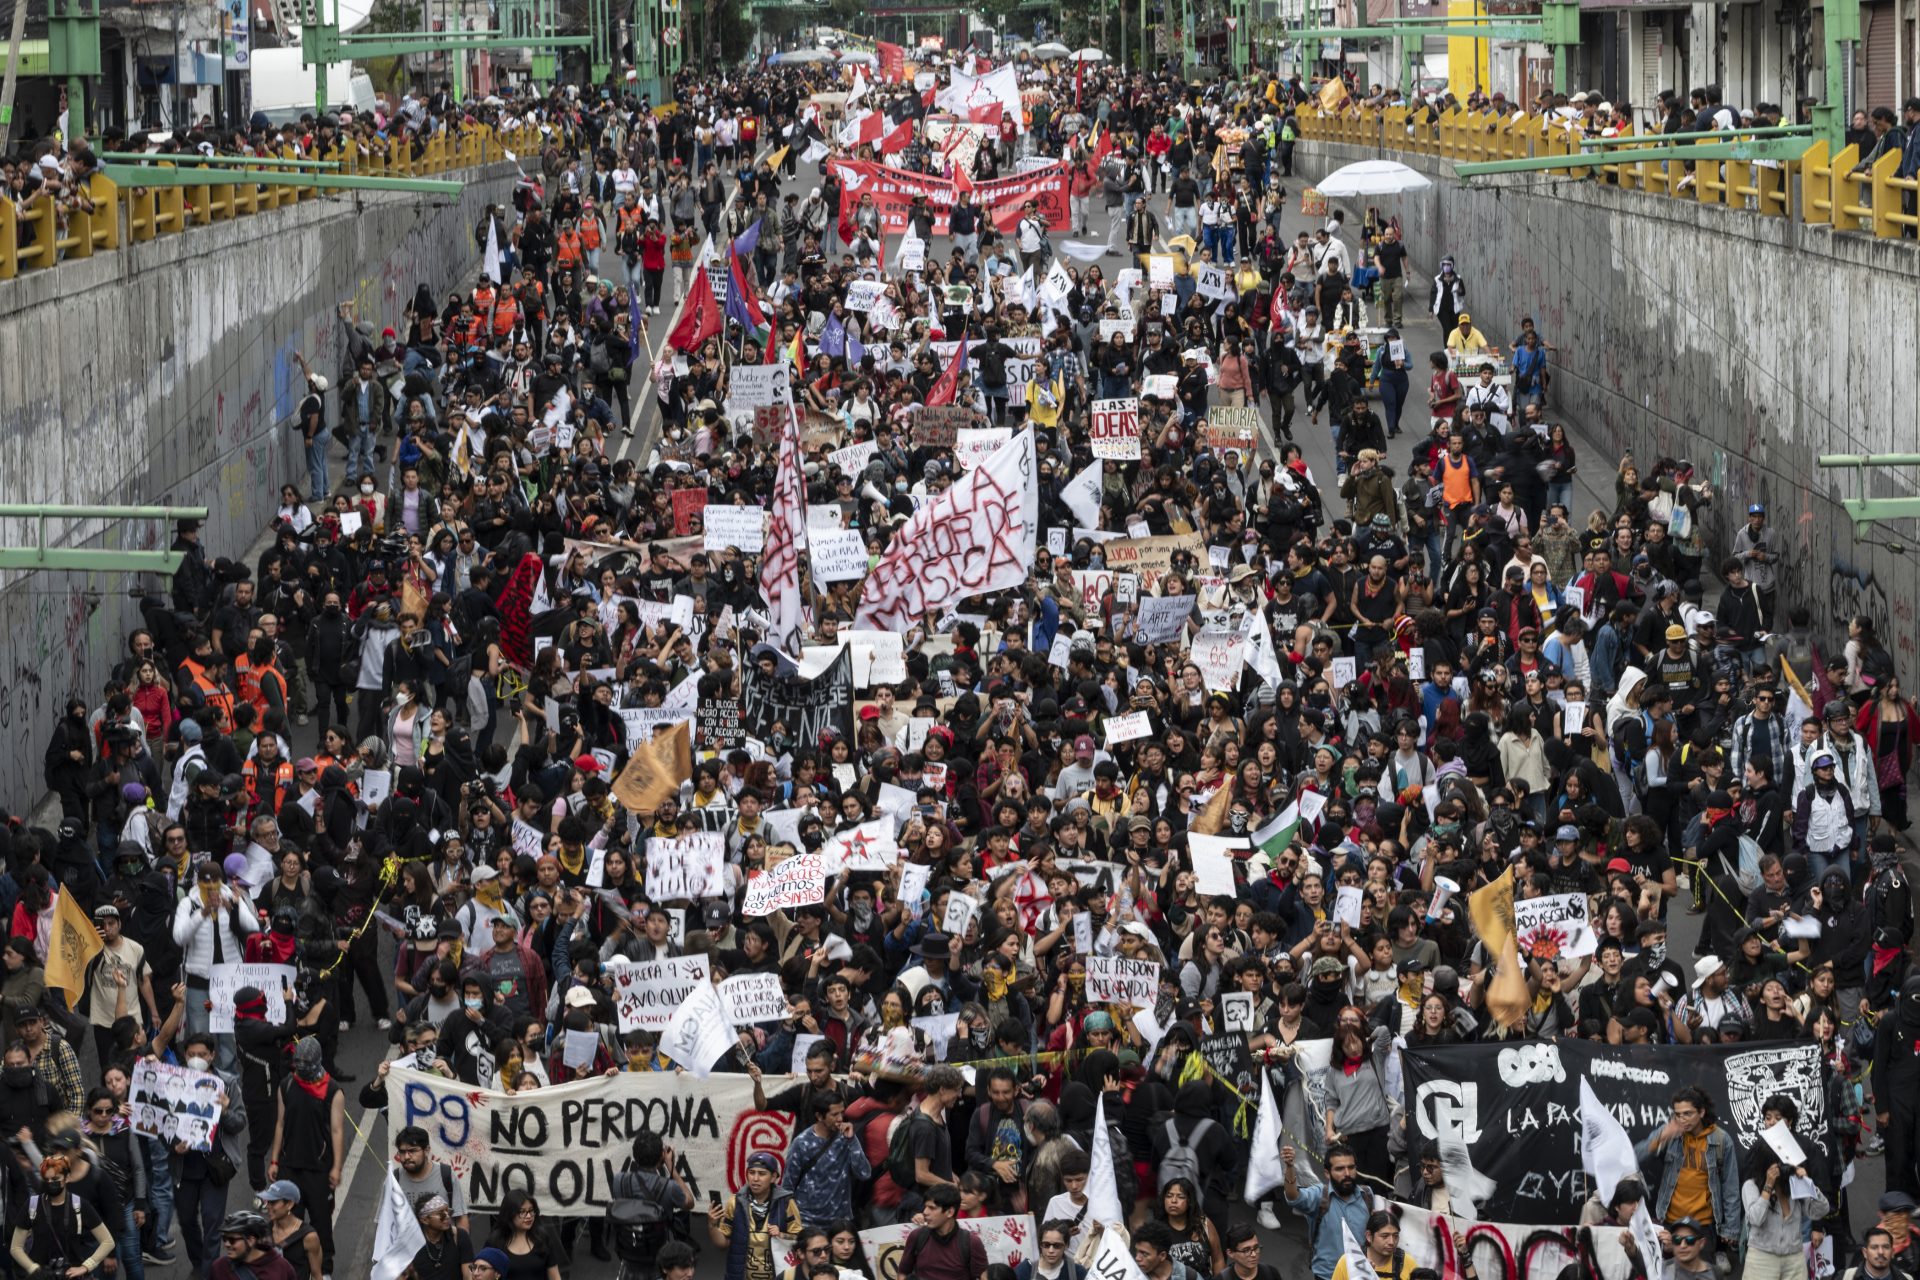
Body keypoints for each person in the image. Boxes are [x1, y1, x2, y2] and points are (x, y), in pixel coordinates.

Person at [1636, 1086, 1743, 1258]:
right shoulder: (1671, 1133)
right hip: (1670, 1222)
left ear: (1701, 1112)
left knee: (1702, 1273)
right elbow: (1636, 1157)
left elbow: (1730, 1187)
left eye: (1688, 1113)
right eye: (1678, 1114)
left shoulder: (1720, 1139)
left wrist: (1730, 1229)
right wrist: (1662, 1136)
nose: (1682, 1119)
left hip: (1703, 1226)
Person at [8, 1153, 117, 1278]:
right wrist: (34, 1268)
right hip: (42, 1276)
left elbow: (108, 1241)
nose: (50, 1183)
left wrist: (86, 1266)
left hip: (71, 1274)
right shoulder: (32, 1205)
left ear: (67, 1178)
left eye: (55, 1179)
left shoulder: (80, 1205)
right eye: (46, 1179)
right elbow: (15, 1247)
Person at [709, 1151, 802, 1280]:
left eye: (762, 1174)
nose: (755, 1178)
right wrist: (712, 1225)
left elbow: (801, 1240)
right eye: (751, 1173)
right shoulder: (735, 1202)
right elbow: (722, 1244)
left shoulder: (786, 1203)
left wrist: (781, 1235)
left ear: (774, 1177)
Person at [211, 1210, 297, 1280]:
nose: (226, 1244)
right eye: (225, 1239)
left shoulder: (282, 1269)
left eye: (232, 1240)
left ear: (251, 1240)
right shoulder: (220, 1267)